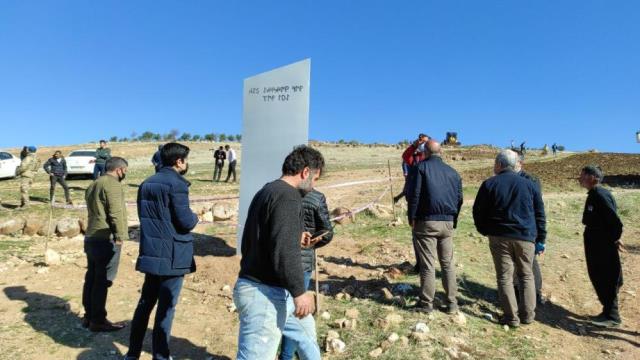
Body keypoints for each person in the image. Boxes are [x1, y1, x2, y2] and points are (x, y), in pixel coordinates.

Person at [234, 145, 324, 360]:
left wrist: (295, 237)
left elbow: (266, 237)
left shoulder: (268, 190)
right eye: (315, 179)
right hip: (264, 293)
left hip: (273, 290)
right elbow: (283, 251)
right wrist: (299, 293)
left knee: (307, 338)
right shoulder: (288, 196)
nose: (313, 186)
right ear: (305, 172)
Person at [124, 142, 198, 360]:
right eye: (186, 159)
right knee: (166, 309)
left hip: (152, 251)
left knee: (145, 304)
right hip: (173, 256)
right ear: (179, 161)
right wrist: (196, 218)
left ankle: (133, 353)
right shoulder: (177, 184)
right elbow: (185, 221)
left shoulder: (146, 183)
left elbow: (145, 217)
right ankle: (161, 356)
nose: (186, 163)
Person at [473, 149, 546, 327]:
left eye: (494, 164)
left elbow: (478, 211)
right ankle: (528, 316)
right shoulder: (529, 185)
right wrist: (541, 237)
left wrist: (484, 230)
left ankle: (511, 317)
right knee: (526, 275)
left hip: (499, 237)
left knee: (504, 277)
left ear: (499, 164)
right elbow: (540, 213)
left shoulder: (489, 184)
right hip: (525, 237)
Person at [407, 140, 462, 314]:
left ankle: (426, 303)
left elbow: (413, 195)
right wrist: (453, 219)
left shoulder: (420, 168)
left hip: (426, 222)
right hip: (447, 222)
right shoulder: (453, 172)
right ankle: (452, 303)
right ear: (441, 152)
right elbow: (459, 198)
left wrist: (412, 216)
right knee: (447, 264)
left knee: (428, 265)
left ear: (425, 153)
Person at [280, 188, 334, 360]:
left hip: (279, 261)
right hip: (302, 263)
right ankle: (286, 355)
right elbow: (327, 231)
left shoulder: (280, 193)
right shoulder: (316, 197)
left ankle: (285, 354)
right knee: (296, 314)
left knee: (284, 310)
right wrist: (313, 243)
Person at [82, 156, 129, 332]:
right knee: (102, 281)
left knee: (92, 278)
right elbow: (115, 211)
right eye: (125, 171)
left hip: (91, 236)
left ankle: (89, 316)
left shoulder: (94, 183)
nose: (124, 174)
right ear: (119, 170)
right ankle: (98, 320)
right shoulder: (112, 184)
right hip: (105, 238)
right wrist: (120, 235)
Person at [579, 165, 624, 328]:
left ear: (594, 177)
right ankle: (608, 312)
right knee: (600, 276)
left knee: (605, 277)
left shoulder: (599, 194)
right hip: (598, 243)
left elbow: (615, 222)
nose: (580, 178)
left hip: (602, 245)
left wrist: (613, 239)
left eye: (583, 175)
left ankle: (612, 317)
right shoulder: (595, 194)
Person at [513, 152, 545, 305]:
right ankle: (517, 291)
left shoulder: (530, 180)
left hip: (527, 228)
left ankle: (535, 293)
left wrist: (541, 236)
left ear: (520, 163)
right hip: (514, 228)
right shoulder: (510, 178)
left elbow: (537, 207)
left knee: (529, 262)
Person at [393, 133, 429, 203]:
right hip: (414, 190)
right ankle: (397, 198)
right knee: (406, 191)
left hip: (427, 192)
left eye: (426, 142)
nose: (424, 144)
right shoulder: (415, 157)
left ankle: (397, 198)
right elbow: (405, 157)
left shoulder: (430, 156)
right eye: (422, 142)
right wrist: (414, 146)